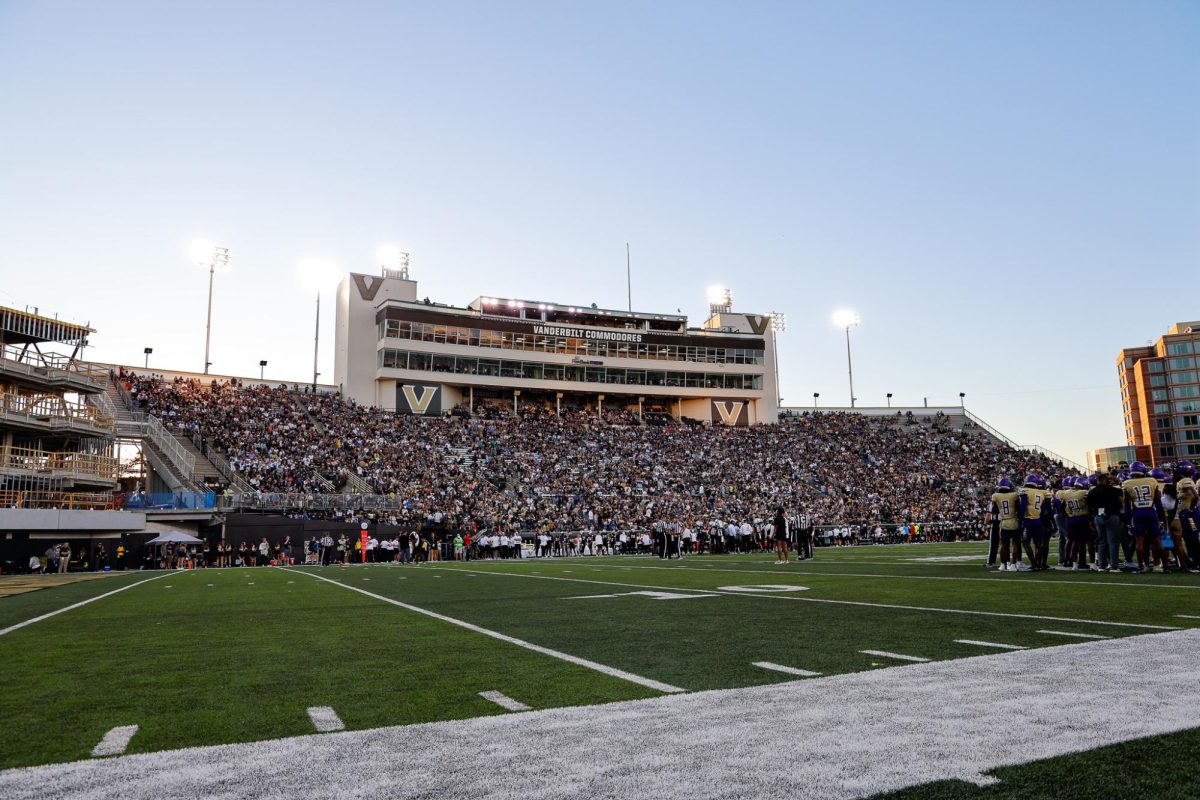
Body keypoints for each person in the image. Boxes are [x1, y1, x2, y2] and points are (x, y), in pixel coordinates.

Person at [1123, 461, 1169, 573]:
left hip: (1137, 513)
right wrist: (1162, 518)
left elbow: (1127, 505)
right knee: (1157, 541)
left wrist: (1127, 521)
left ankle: (1141, 567)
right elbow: (1158, 502)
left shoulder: (1127, 483)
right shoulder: (1152, 481)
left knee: (1139, 542)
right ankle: (1165, 567)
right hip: (1151, 512)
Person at [1086, 472, 1125, 572]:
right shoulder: (1113, 490)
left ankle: (1102, 565)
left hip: (1098, 517)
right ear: (1106, 480)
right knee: (1113, 542)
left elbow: (1089, 508)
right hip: (1111, 516)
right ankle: (1113, 566)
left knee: (1102, 542)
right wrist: (1117, 481)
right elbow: (1122, 496)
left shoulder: (1092, 492)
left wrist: (1090, 520)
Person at [990, 478, 1022, 571]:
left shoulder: (996, 496)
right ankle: (1013, 565)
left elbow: (994, 510)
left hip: (1003, 521)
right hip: (1013, 521)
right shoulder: (1014, 495)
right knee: (1015, 544)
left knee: (1003, 544)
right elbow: (1018, 509)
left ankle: (1003, 564)